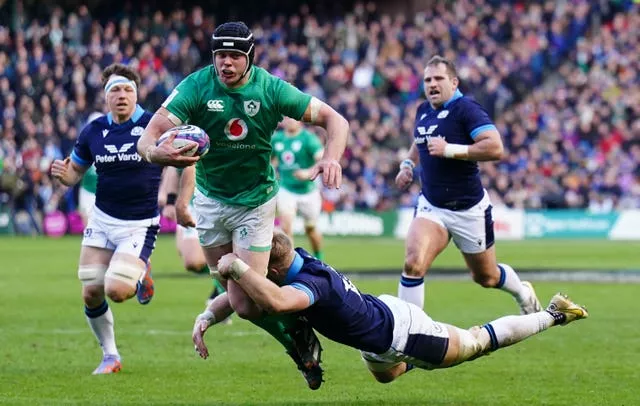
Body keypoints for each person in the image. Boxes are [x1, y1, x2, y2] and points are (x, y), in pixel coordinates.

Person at [136, 21, 349, 389]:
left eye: (235, 56)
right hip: (210, 203)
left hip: (255, 202)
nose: (227, 64)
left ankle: (301, 330)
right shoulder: (196, 86)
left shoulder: (270, 88)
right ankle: (297, 330)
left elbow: (336, 119)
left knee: (248, 302)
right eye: (221, 56)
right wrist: (158, 154)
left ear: (250, 57)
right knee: (241, 302)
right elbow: (148, 137)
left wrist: (331, 157)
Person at [192, 231, 588, 384]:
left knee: (474, 343)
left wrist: (238, 266)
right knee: (388, 376)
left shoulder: (309, 285)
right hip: (378, 323)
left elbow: (273, 299)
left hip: (401, 332)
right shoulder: (297, 261)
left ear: (273, 269)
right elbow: (252, 294)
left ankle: (552, 313)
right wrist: (209, 314)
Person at [395, 55, 541, 314]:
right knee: (413, 264)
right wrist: (407, 165)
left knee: (486, 277)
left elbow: (495, 147)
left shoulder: (467, 109)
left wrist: (449, 149)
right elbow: (420, 141)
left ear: (454, 82)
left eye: (438, 78)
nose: (432, 84)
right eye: (427, 80)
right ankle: (407, 337)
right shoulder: (423, 110)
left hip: (468, 208)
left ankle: (523, 292)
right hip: (432, 206)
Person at [51, 63, 162, 375]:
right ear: (106, 97)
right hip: (102, 219)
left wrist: (176, 201)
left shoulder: (154, 125)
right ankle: (110, 355)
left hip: (139, 224)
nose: (122, 95)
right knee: (90, 290)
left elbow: (182, 160)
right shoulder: (94, 130)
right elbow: (74, 173)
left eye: (128, 89)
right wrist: (63, 176)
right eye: (115, 90)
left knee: (117, 291)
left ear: (137, 95)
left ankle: (140, 270)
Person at [158, 166, 230, 322]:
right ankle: (222, 283)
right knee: (192, 263)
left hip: (225, 201)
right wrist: (170, 200)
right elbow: (175, 167)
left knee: (203, 258)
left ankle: (222, 293)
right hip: (193, 204)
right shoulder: (191, 141)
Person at [271, 117, 324, 258]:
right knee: (286, 227)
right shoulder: (277, 139)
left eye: (292, 118)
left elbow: (322, 159)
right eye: (286, 118)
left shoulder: (308, 138)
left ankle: (319, 257)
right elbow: (270, 160)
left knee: (311, 229)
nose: (289, 121)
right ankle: (291, 262)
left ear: (300, 121)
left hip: (308, 191)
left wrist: (308, 173)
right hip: (286, 189)